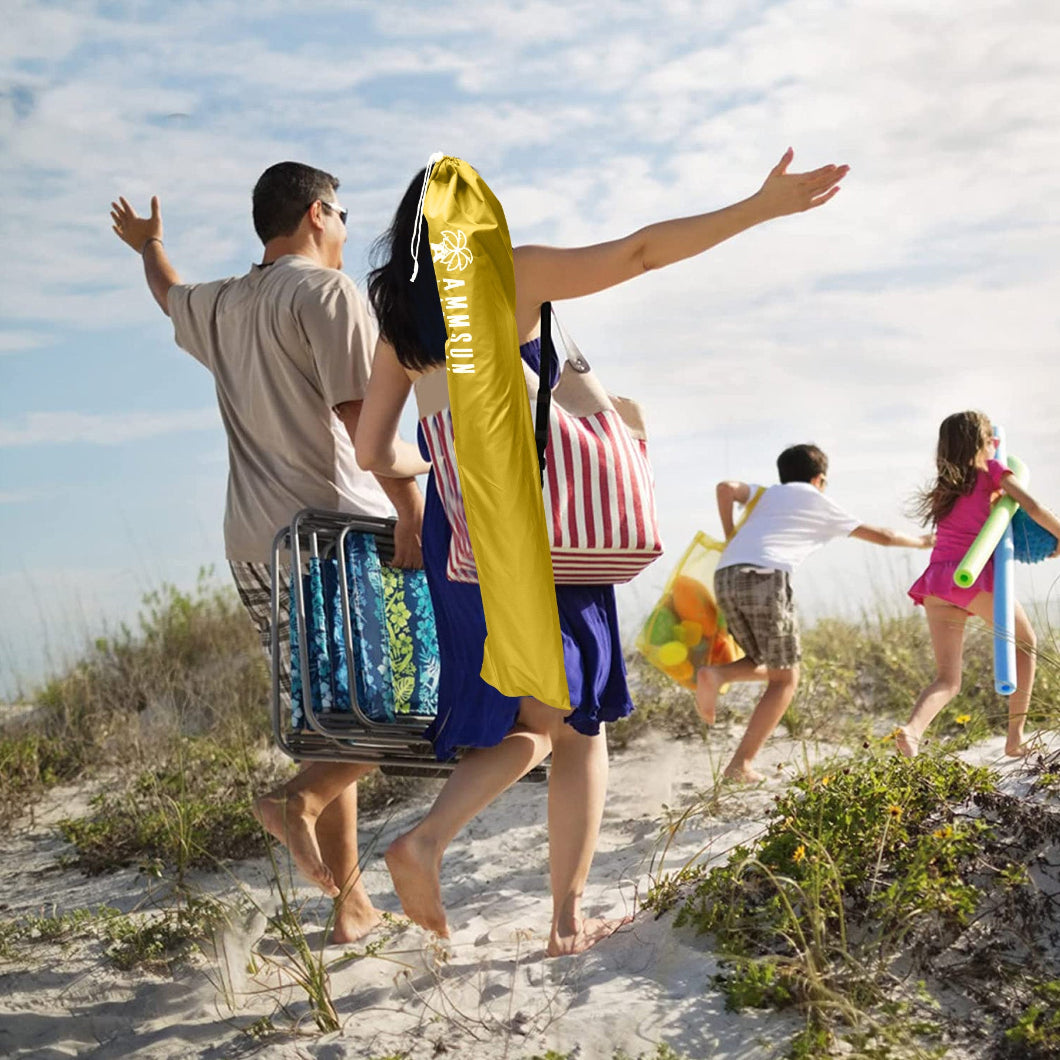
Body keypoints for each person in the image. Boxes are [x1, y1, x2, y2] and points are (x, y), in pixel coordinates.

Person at [356, 149, 850, 955]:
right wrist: (758, 208)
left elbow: (376, 449)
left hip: (466, 543)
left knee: (530, 724)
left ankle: (429, 841)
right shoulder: (508, 274)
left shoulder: (402, 323)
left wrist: (445, 457)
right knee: (578, 728)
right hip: (543, 534)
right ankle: (560, 920)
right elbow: (640, 252)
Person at [110, 162, 428, 943]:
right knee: (414, 700)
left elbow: (166, 293)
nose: (349, 230)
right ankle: (299, 801)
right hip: (337, 533)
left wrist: (149, 246)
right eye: (344, 214)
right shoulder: (326, 294)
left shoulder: (219, 302)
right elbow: (369, 430)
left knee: (334, 721)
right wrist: (416, 515)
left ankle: (349, 903)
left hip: (257, 544)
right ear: (318, 213)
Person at [696, 443, 933, 781]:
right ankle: (739, 763)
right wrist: (922, 542)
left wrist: (730, 534)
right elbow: (883, 536)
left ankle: (719, 676)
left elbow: (725, 488)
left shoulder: (767, 495)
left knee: (765, 660)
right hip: (766, 576)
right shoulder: (816, 499)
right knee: (786, 679)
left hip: (726, 575)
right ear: (820, 479)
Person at [897, 410, 1060, 758]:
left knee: (948, 680)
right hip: (971, 578)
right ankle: (1015, 737)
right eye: (991, 440)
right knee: (1026, 644)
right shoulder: (992, 472)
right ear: (984, 444)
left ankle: (911, 731)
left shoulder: (946, 486)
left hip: (937, 583)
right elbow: (1032, 506)